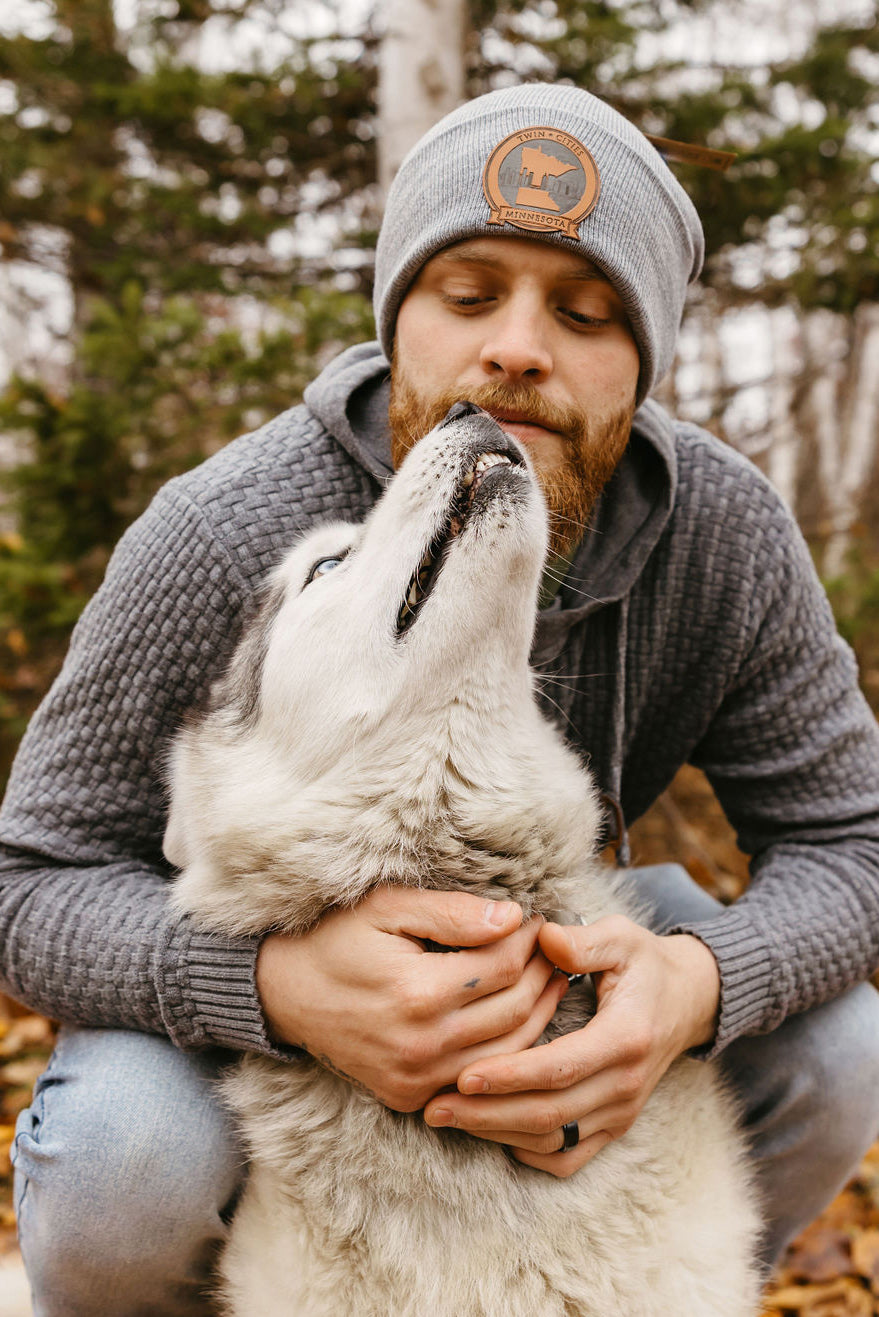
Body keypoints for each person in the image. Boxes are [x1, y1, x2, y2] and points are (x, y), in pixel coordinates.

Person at [2, 82, 878, 1316]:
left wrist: (698, 982)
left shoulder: (722, 534)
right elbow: (28, 877)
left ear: (646, 365)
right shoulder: (221, 533)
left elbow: (857, 840)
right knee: (122, 1166)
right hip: (250, 955)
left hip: (569, 924)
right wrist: (269, 988)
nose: (517, 346)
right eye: (468, 296)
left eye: (584, 313)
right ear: (398, 318)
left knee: (841, 1053)